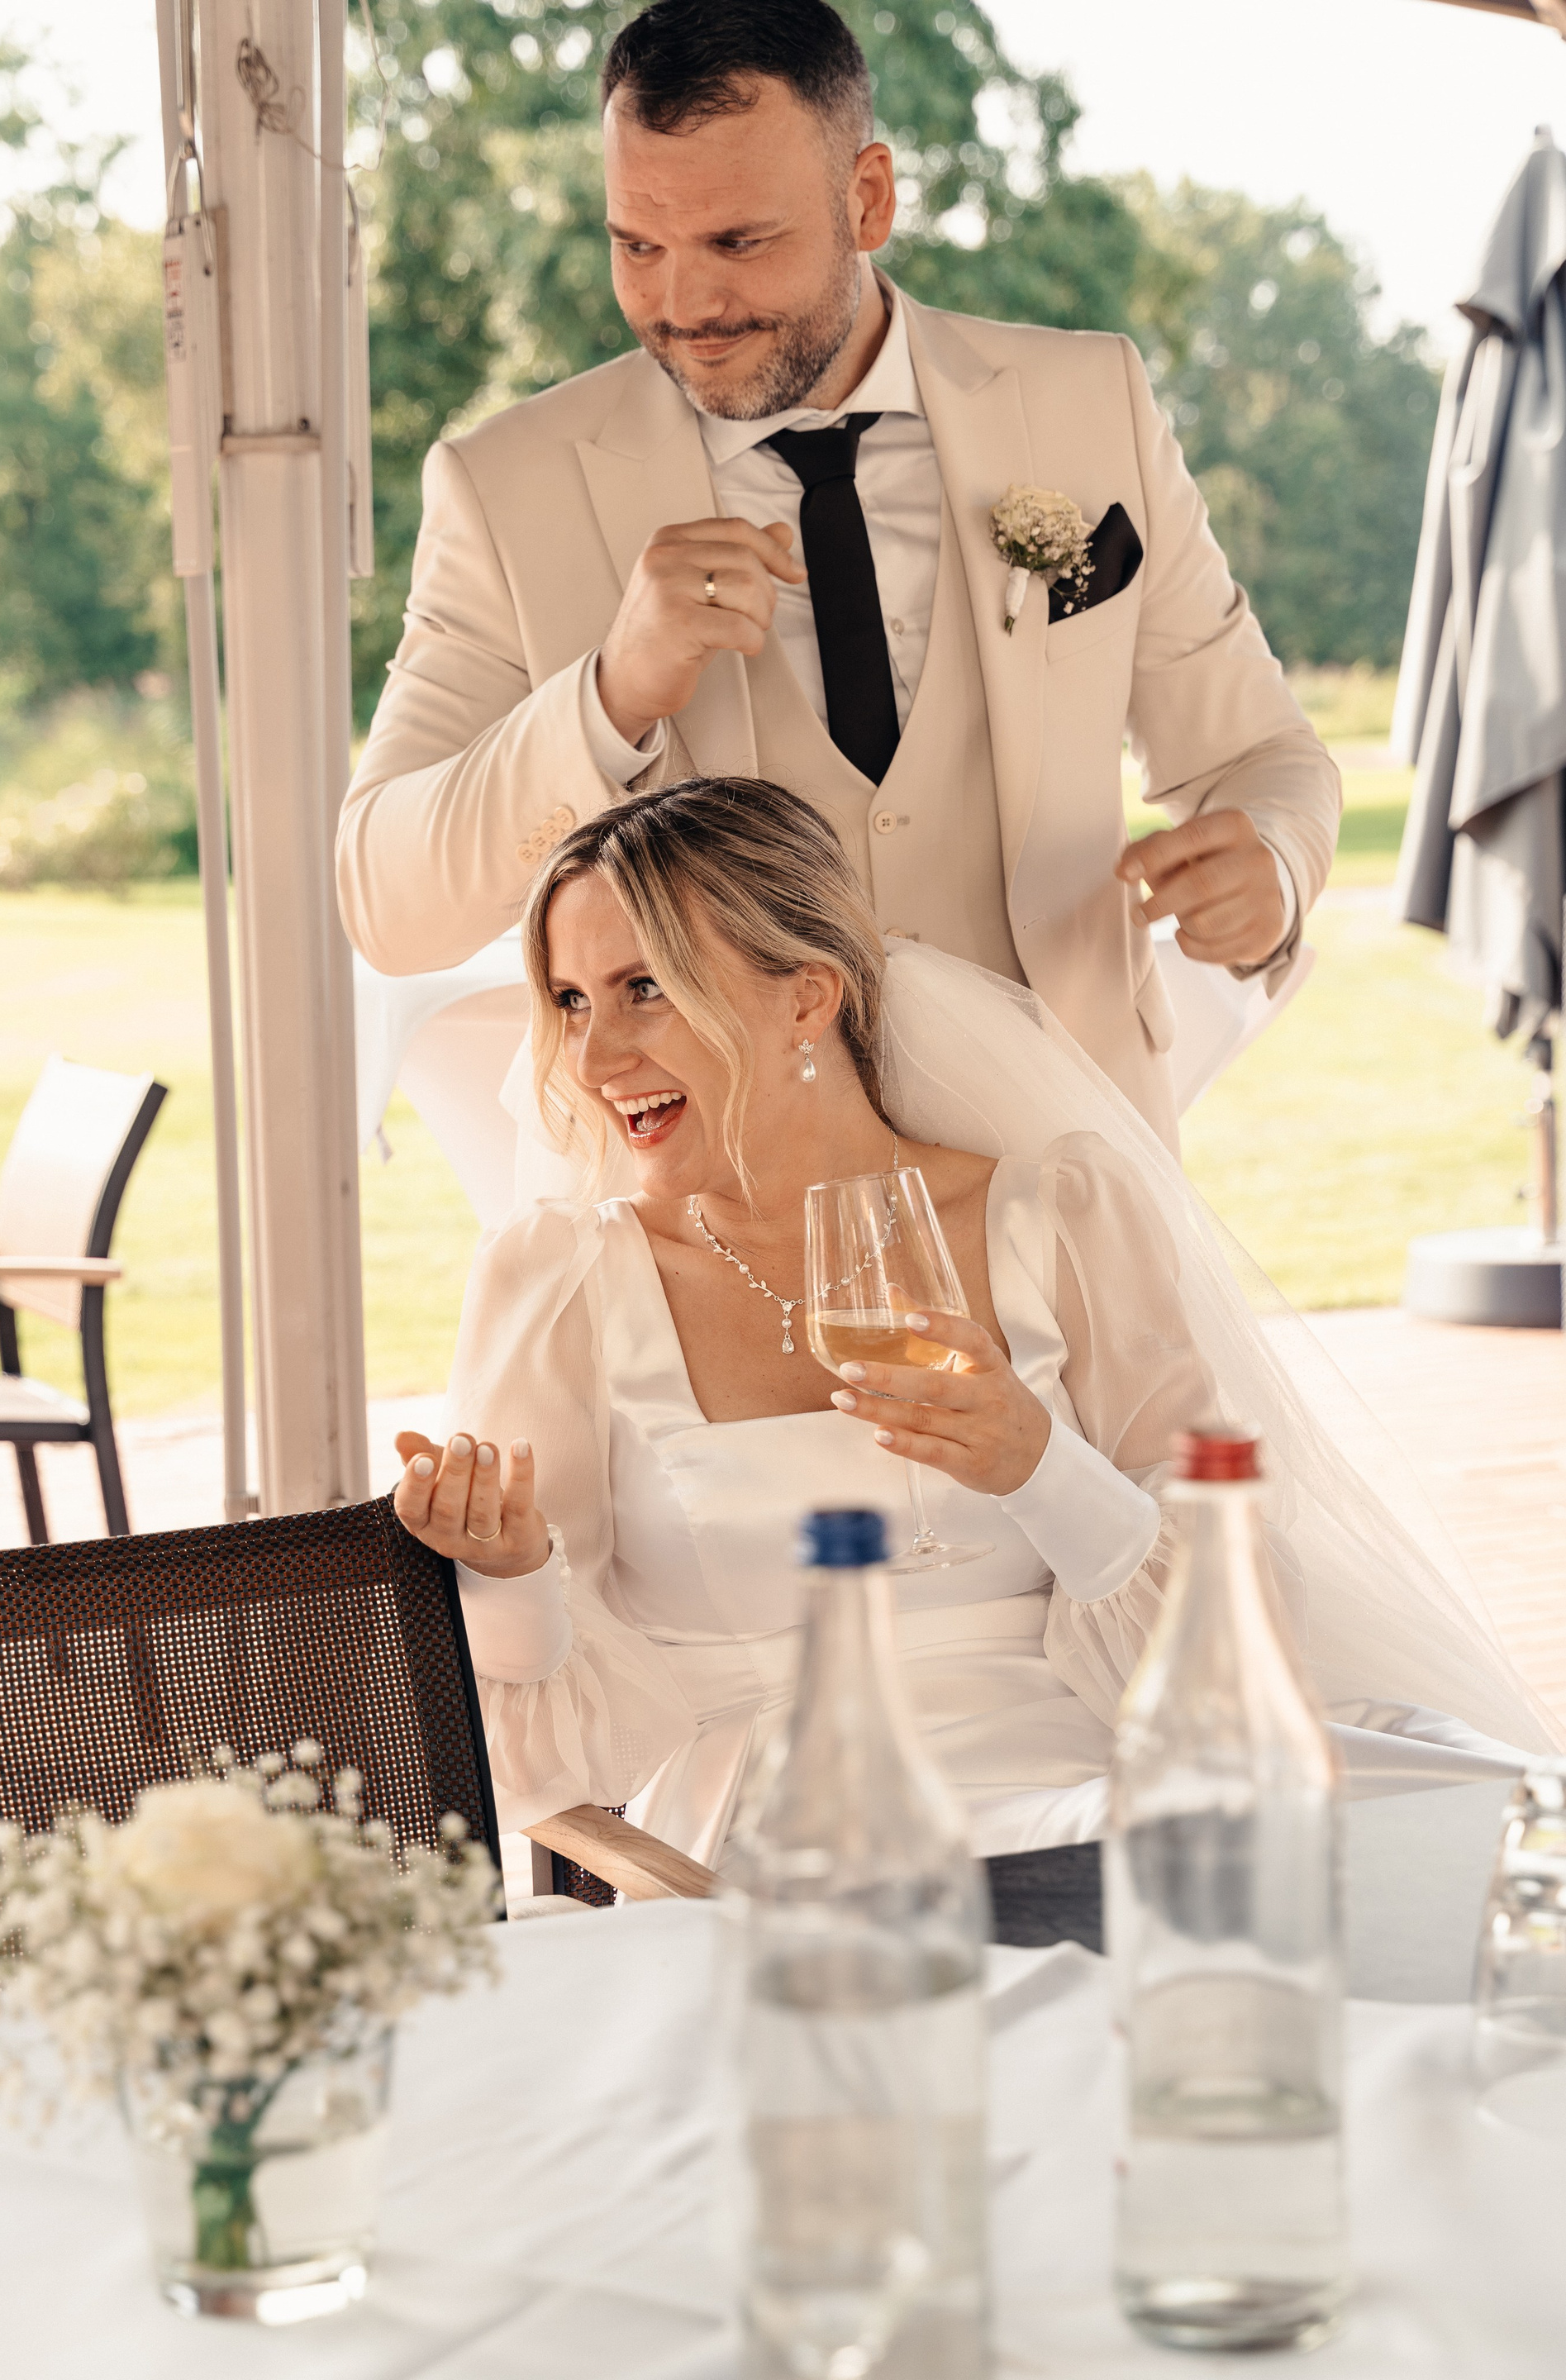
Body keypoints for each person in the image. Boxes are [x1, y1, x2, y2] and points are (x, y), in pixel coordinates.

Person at [392, 779, 1550, 1942]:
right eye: (571, 1000)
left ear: (808, 997)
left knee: (1503, 1826)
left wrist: (1039, 1464)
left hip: (1110, 1755)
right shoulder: (563, 1282)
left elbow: (1238, 1615)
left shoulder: (1061, 1215)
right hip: (804, 1816)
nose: (594, 1056)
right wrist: (511, 1571)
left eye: (644, 988)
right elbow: (548, 1728)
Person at [336, 0, 1341, 1150]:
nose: (685, 307)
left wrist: (1274, 866)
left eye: (737, 243)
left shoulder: (1086, 405)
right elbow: (386, 903)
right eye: (639, 247)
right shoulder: (507, 488)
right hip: (713, 1210)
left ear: (868, 198)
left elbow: (1262, 758)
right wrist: (608, 698)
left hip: (1070, 1172)